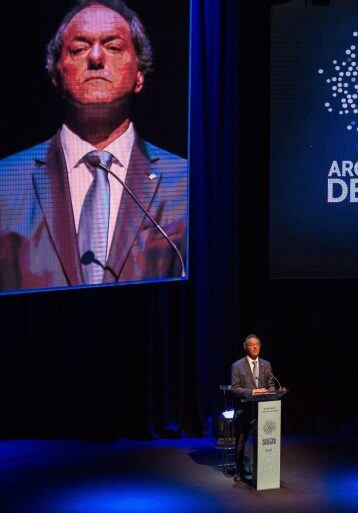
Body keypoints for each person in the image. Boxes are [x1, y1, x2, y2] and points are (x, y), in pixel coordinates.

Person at [0, 0, 187, 292]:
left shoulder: (187, 183)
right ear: (55, 73)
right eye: (79, 49)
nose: (96, 58)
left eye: (113, 47)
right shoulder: (6, 182)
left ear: (139, 74)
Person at [230, 334, 276, 481]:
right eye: (251, 344)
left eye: (257, 344)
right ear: (246, 347)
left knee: (261, 442)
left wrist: (271, 391)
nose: (255, 347)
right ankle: (239, 471)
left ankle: (260, 470)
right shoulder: (237, 366)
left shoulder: (266, 365)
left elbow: (271, 384)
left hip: (262, 411)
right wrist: (254, 391)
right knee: (241, 443)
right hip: (244, 410)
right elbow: (235, 388)